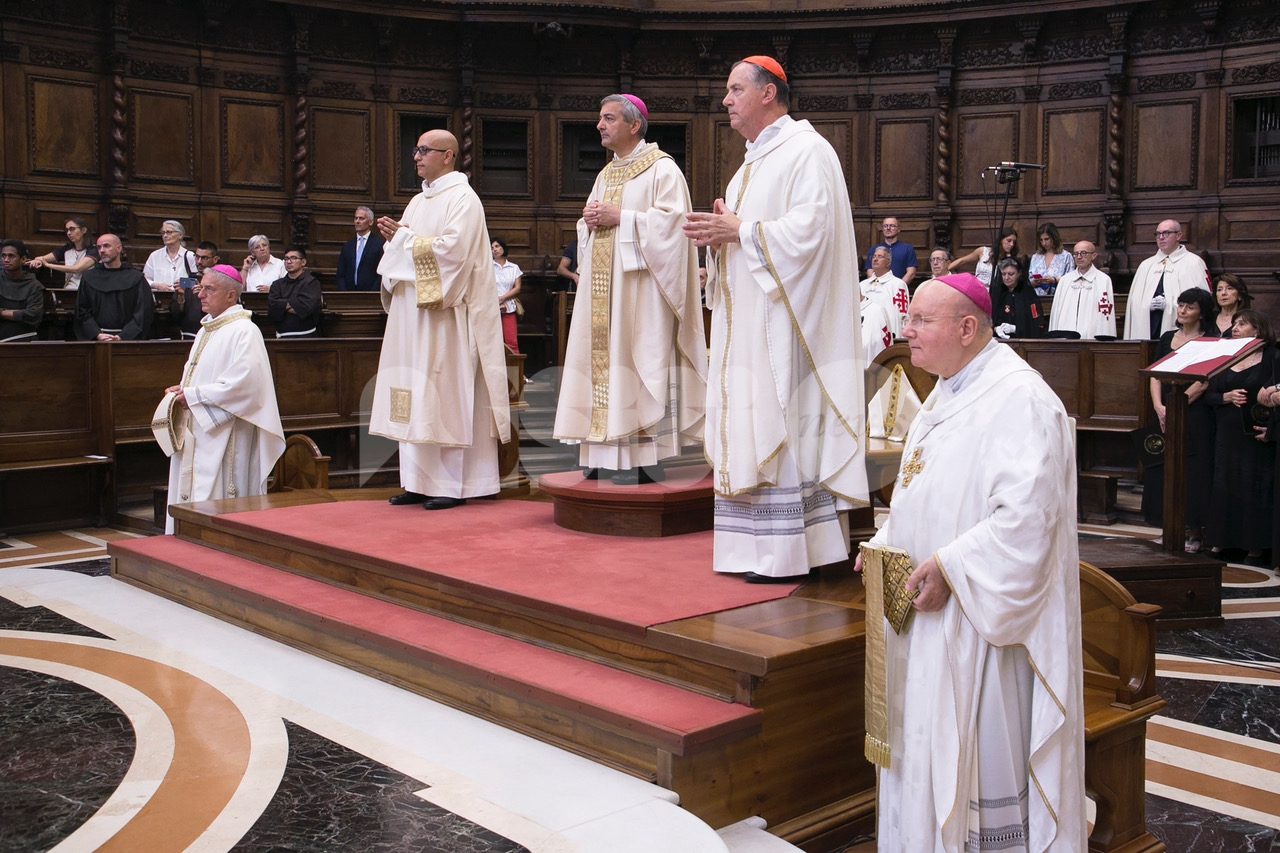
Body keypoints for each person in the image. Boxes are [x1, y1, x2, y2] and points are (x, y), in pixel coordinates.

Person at [857, 272, 1085, 853]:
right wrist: (886, 540)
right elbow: (925, 491)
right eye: (908, 319)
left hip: (979, 630)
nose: (906, 332)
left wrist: (952, 567)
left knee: (972, 764)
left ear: (966, 328)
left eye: (920, 321)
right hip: (926, 619)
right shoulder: (947, 389)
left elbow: (1029, 520)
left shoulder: (1020, 399)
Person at [683, 56, 867, 582]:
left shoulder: (807, 150)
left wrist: (741, 231)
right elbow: (743, 237)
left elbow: (812, 233)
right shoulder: (748, 167)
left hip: (786, 330)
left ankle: (791, 553)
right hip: (747, 330)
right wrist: (721, 238)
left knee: (780, 422)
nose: (725, 100)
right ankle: (753, 549)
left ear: (769, 93)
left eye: (735, 89)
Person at [554, 93, 707, 485]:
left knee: (637, 363)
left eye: (608, 118)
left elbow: (674, 227)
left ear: (634, 124)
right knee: (600, 365)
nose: (599, 125)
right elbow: (594, 227)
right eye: (600, 118)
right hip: (603, 293)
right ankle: (600, 451)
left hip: (640, 294)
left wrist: (621, 216)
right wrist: (588, 221)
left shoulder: (662, 169)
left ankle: (643, 458)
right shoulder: (606, 174)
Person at [371, 129, 511, 510]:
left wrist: (402, 241)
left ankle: (451, 485)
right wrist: (396, 241)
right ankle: (417, 481)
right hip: (411, 316)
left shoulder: (464, 199)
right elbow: (402, 250)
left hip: (445, 317)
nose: (416, 156)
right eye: (415, 150)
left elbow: (453, 254)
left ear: (447, 156)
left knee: (443, 395)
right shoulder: (418, 201)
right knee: (414, 394)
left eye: (423, 150)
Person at [162, 264, 285, 535]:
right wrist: (183, 389)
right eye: (200, 288)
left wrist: (193, 395)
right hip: (198, 425)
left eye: (209, 289)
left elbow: (246, 385)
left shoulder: (244, 331)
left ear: (230, 295)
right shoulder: (207, 329)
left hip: (226, 430)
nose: (200, 294)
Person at [1141, 288, 1219, 550]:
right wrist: (1159, 406)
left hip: (1193, 413)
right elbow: (1154, 373)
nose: (1183, 311)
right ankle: (1168, 529)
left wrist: (1179, 405)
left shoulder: (1210, 340)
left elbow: (1205, 380)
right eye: (1181, 305)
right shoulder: (1167, 337)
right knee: (1163, 469)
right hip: (1165, 410)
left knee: (1193, 472)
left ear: (1202, 312)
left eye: (1190, 307)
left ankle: (1195, 532)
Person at [1204, 309, 1275, 564]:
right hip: (1227, 432)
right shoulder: (1226, 356)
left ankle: (1254, 547)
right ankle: (1221, 541)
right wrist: (1226, 396)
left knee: (1253, 486)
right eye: (1234, 323)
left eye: (1242, 324)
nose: (1234, 328)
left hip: (1256, 435)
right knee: (1225, 485)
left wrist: (1272, 429)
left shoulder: (1272, 356)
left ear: (1257, 329)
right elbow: (1210, 395)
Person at [1124, 219, 1210, 340]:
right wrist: (1147, 305)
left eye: (1166, 233)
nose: (1161, 237)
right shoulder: (1146, 265)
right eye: (1158, 234)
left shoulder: (1193, 262)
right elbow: (1134, 302)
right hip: (1149, 325)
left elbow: (1203, 302)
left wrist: (1170, 305)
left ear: (1178, 235)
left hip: (1180, 330)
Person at [75, 233, 153, 341]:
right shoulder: (89, 277)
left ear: (119, 248)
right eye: (99, 247)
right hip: (97, 340)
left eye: (106, 246)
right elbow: (82, 311)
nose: (102, 250)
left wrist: (124, 336)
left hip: (129, 341)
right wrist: (97, 334)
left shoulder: (136, 278)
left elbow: (143, 312)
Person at [1049, 240, 1116, 339]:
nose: (1079, 257)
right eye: (1076, 254)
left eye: (1083, 253)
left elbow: (1105, 314)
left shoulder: (1103, 280)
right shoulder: (1065, 280)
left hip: (1091, 337)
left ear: (1093, 256)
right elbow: (1056, 312)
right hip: (1066, 338)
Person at [266, 246, 323, 338]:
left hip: (306, 336)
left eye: (293, 258)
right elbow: (272, 308)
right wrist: (295, 304)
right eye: (286, 259)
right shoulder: (277, 284)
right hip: (282, 336)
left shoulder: (311, 283)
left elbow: (306, 308)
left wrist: (281, 305)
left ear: (303, 262)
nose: (289, 262)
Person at [26, 218, 97, 289]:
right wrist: (37, 260)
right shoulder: (67, 248)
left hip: (88, 289)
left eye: (72, 229)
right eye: (67, 230)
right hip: (70, 289)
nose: (69, 233)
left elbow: (77, 269)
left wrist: (48, 265)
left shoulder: (94, 250)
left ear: (84, 230)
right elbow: (43, 258)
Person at [171, 241, 221, 339]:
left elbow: (220, 313)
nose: (199, 262)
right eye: (197, 257)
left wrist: (204, 296)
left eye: (204, 258)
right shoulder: (189, 281)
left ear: (215, 259)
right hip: (188, 336)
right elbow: (176, 316)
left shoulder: (221, 282)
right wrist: (180, 297)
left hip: (213, 335)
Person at [0, 240, 44, 342]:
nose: (6, 260)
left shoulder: (34, 285)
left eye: (11, 256)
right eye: (3, 256)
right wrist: (17, 314)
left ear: (23, 259)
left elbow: (33, 315)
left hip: (24, 337)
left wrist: (2, 313)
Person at [990, 257, 1045, 338]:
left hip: (1023, 341)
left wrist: (1016, 329)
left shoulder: (1028, 295)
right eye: (1003, 274)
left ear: (1019, 273)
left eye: (1011, 274)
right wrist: (996, 329)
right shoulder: (996, 295)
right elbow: (987, 321)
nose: (1006, 278)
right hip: (999, 340)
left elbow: (1036, 324)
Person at [949, 226, 1020, 288]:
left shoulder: (1010, 259)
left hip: (994, 292)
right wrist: (946, 270)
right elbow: (963, 260)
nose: (1011, 244)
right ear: (1001, 240)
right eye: (1009, 241)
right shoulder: (983, 251)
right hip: (977, 287)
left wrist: (1008, 258)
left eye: (1014, 242)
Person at [861, 245, 909, 336]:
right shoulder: (862, 285)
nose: (875, 259)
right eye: (874, 256)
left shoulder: (898, 284)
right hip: (865, 332)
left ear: (888, 262)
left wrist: (898, 338)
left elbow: (901, 314)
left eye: (880, 256)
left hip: (887, 333)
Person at [335, 206, 385, 291]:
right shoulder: (348, 246)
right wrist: (344, 292)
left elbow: (381, 273)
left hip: (371, 293)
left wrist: (373, 293)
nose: (357, 221)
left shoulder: (379, 245)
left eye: (361, 218)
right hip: (349, 293)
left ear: (370, 222)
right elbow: (341, 273)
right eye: (356, 218)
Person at [142, 220, 197, 292]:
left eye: (169, 232)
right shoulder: (155, 256)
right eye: (163, 233)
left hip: (182, 296)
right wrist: (157, 285)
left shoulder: (189, 256)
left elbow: (196, 281)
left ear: (180, 235)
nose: (165, 235)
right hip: (160, 296)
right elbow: (145, 279)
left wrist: (183, 283)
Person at [863, 216, 917, 286]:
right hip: (878, 288)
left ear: (898, 229)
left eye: (892, 226)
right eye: (885, 226)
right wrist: (879, 287)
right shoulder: (874, 249)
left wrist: (898, 287)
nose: (888, 228)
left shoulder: (907, 248)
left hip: (898, 289)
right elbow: (870, 272)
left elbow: (911, 272)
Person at [490, 237, 522, 353]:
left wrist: (502, 299)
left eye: (497, 246)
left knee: (512, 342)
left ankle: (515, 365)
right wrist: (497, 302)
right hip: (491, 307)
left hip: (508, 307)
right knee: (492, 342)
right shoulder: (488, 267)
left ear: (503, 248)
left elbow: (517, 288)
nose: (494, 249)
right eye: (492, 248)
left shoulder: (514, 267)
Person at [1028, 222, 1072, 297]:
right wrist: (1035, 282)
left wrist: (1054, 280)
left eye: (1046, 239)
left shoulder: (1066, 256)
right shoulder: (1036, 257)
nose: (1044, 243)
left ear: (1054, 238)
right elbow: (1029, 281)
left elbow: (1070, 280)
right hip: (1036, 297)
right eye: (1041, 240)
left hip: (1058, 296)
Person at [1212, 272, 1250, 338]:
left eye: (1229, 288)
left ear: (1239, 294)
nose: (1223, 293)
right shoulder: (1208, 318)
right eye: (1219, 290)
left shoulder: (1249, 319)